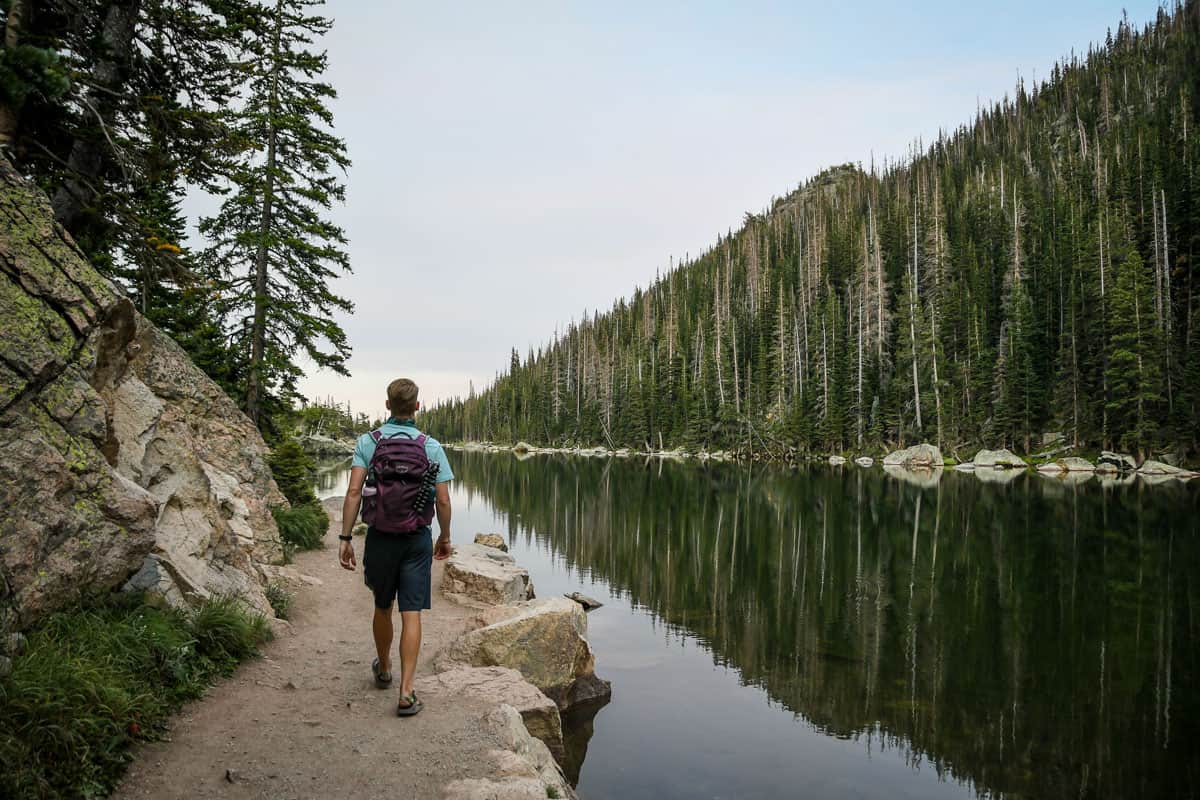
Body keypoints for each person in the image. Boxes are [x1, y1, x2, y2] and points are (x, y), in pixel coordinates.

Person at [338, 378, 454, 716]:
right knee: (412, 612)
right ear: (417, 406)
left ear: (387, 405)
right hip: (416, 538)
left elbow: (354, 493)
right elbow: (443, 500)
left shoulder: (368, 442)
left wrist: (345, 538)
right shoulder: (431, 447)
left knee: (382, 604)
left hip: (380, 537)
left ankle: (385, 668)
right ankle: (406, 693)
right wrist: (444, 537)